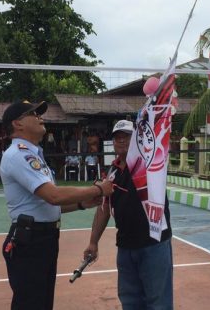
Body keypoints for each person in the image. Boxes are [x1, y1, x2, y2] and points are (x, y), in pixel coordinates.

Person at [0, 100, 114, 310]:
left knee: (42, 302)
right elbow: (54, 196)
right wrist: (98, 189)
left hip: (42, 238)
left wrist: (82, 204)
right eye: (33, 113)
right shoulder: (19, 154)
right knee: (31, 303)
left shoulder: (33, 154)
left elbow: (48, 205)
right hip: (31, 240)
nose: (40, 116)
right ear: (17, 124)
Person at [84, 120, 173, 309]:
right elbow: (104, 208)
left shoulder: (150, 163)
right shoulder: (112, 171)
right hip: (125, 247)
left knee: (158, 303)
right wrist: (93, 241)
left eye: (127, 137)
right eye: (118, 137)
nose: (122, 141)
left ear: (137, 141)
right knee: (130, 302)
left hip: (153, 245)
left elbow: (159, 137)